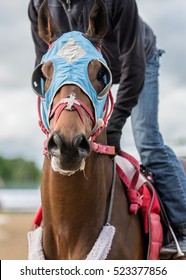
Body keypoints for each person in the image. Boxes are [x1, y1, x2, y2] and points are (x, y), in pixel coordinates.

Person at [28, 0, 186, 258]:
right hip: (79, 73)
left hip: (136, 61)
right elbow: (44, 62)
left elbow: (134, 68)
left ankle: (181, 228)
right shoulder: (38, 5)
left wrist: (114, 127)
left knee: (148, 141)